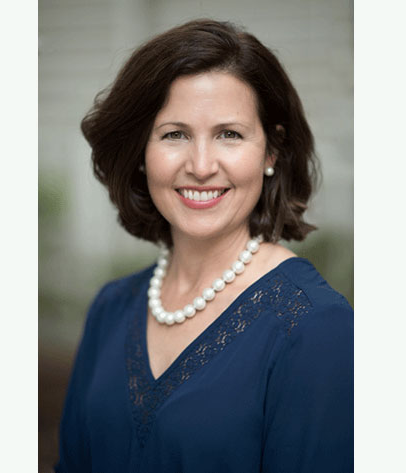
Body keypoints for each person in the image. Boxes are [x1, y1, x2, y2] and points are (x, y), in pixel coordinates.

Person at [56, 19, 352, 473]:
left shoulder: (315, 327)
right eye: (174, 134)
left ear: (271, 152)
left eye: (229, 134)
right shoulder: (111, 308)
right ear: (140, 151)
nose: (200, 165)